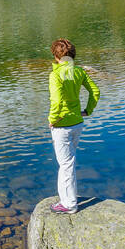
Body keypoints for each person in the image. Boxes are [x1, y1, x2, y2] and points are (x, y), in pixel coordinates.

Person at [47, 38, 99, 214]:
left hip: (62, 126)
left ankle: (69, 204)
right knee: (68, 163)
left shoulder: (55, 75)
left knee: (66, 164)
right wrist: (88, 110)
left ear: (55, 56)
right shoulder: (79, 72)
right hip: (77, 123)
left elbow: (57, 100)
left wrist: (53, 119)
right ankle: (67, 199)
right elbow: (95, 91)